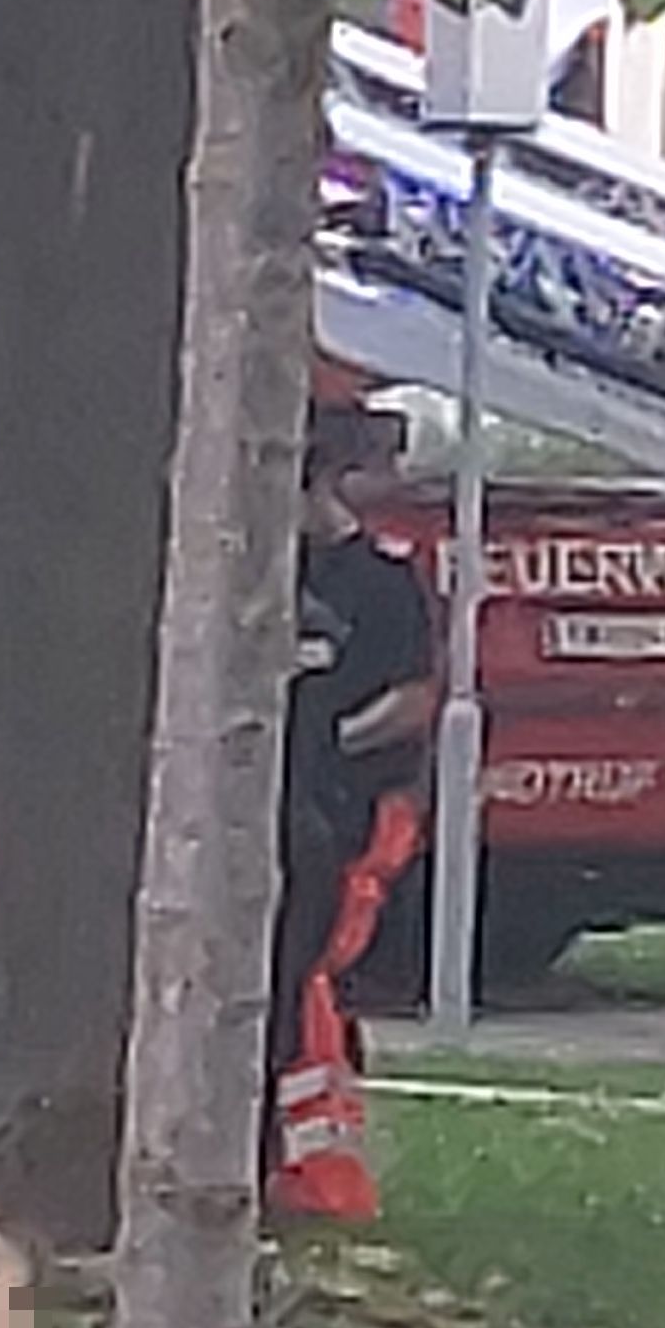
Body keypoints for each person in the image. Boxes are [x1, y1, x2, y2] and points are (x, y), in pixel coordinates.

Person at [268, 407, 438, 1118]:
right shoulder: (265, 574)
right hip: (272, 798)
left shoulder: (379, 583)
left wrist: (333, 743)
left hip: (339, 808)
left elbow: (413, 695)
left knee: (303, 969)